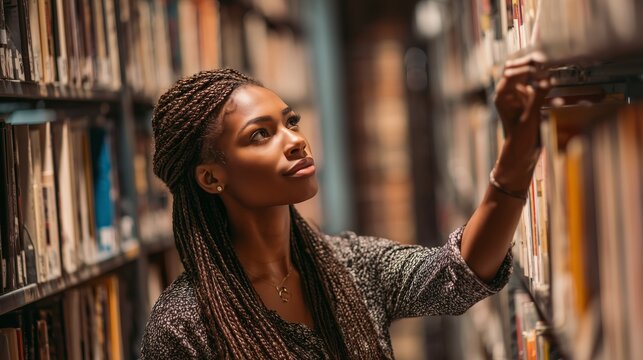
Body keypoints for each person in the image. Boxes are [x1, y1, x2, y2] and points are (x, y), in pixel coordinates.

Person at [140, 54, 550, 359]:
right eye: (260, 135)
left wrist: (516, 161)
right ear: (212, 177)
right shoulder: (183, 325)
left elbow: (456, 277)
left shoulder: (350, 265)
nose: (295, 140)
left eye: (291, 121)